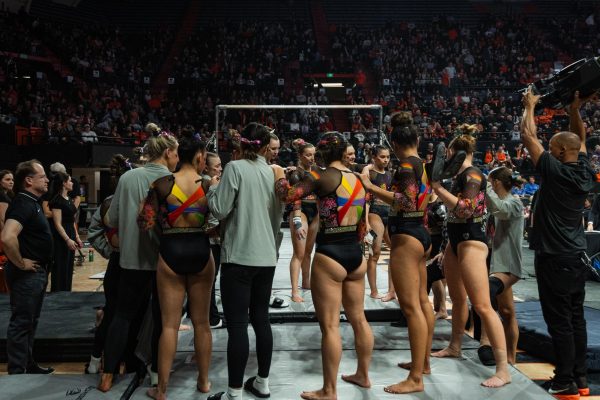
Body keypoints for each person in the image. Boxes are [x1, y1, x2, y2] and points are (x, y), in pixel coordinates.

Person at [275, 132, 373, 400]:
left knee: (330, 326)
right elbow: (362, 222)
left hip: (331, 253)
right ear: (343, 152)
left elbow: (287, 195)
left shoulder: (320, 177)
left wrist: (278, 173)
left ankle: (329, 390)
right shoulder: (358, 179)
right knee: (359, 319)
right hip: (355, 253)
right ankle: (363, 375)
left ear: (321, 154)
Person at [522, 88, 594, 399]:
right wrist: (574, 110)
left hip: (554, 257)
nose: (547, 151)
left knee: (560, 322)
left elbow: (527, 135)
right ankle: (580, 378)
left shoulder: (554, 170)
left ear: (561, 152)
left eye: (552, 147)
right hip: (576, 256)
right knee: (575, 318)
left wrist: (529, 106)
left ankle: (564, 381)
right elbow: (579, 139)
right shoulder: (583, 169)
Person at [206, 123, 283, 400]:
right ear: (264, 146)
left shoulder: (235, 169)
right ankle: (262, 382)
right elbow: (277, 218)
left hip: (238, 255)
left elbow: (219, 208)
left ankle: (234, 393)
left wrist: (212, 188)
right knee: (261, 319)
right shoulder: (275, 173)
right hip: (266, 256)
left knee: (238, 324)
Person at [430, 124, 511, 388]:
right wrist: (444, 247)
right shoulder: (460, 176)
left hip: (472, 241)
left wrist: (437, 188)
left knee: (483, 305)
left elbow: (465, 210)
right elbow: (452, 217)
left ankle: (503, 370)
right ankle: (455, 346)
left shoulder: (473, 175)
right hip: (455, 240)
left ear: (453, 153)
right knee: (457, 298)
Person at [99, 131, 179, 392]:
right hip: (163, 262)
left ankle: (107, 374)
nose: (178, 159)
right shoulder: (170, 179)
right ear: (167, 153)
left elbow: (111, 219)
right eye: (176, 153)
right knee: (161, 320)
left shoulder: (128, 177)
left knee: (121, 316)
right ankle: (157, 375)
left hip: (130, 259)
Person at [360, 123, 434, 394]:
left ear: (394, 145)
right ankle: (423, 364)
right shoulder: (423, 165)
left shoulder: (405, 167)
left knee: (411, 307)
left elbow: (404, 201)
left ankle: (416, 378)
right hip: (421, 233)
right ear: (416, 138)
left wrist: (369, 186)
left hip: (408, 235)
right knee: (423, 302)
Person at [140, 134, 215, 399]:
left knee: (169, 326)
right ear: (198, 157)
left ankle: (161, 389)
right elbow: (219, 220)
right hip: (200, 250)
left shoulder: (160, 184)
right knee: (202, 324)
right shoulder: (208, 184)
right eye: (204, 156)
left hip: (170, 250)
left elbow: (144, 223)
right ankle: (204, 382)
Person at [1, 160, 54, 374]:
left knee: (30, 320)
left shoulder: (31, 202)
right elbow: (7, 237)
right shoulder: (23, 203)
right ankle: (17, 372)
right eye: (42, 176)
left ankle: (28, 365)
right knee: (22, 322)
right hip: (27, 274)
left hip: (37, 272)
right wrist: (21, 263)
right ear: (29, 180)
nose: (47, 179)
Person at [85, 155, 133, 374]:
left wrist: (110, 252)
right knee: (127, 316)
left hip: (116, 262)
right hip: (131, 264)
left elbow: (94, 233)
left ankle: (96, 361)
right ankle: (126, 364)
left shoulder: (107, 202)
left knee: (112, 313)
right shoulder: (136, 201)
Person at [477, 167, 525, 366]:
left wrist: (485, 187)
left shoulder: (514, 203)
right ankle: (491, 347)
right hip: (492, 261)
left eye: (490, 182)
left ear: (495, 182)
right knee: (505, 310)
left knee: (499, 305)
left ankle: (507, 356)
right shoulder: (493, 204)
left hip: (507, 263)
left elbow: (501, 210)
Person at [287, 138, 317, 302]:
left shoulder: (317, 171)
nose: (311, 158)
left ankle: (306, 282)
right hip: (301, 211)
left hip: (316, 212)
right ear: (300, 155)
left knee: (308, 252)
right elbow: (295, 198)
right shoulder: (296, 173)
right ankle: (294, 291)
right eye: (308, 155)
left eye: (313, 155)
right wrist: (297, 219)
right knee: (298, 253)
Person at [361, 145, 392, 299]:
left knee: (395, 252)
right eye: (382, 157)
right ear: (374, 157)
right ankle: (374, 291)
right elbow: (365, 199)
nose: (386, 159)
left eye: (387, 157)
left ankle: (392, 291)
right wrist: (366, 221)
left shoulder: (390, 174)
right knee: (375, 252)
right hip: (375, 212)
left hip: (389, 213)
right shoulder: (369, 173)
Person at [48, 172, 83, 292]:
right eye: (70, 181)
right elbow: (57, 224)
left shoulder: (68, 199)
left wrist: (77, 236)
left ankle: (67, 292)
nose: (72, 183)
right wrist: (67, 239)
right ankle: (58, 294)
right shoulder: (57, 200)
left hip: (71, 233)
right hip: (61, 237)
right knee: (60, 266)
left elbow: (72, 220)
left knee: (68, 266)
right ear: (64, 183)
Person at [204, 152, 224, 328]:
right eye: (216, 166)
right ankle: (211, 317)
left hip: (214, 239)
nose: (220, 168)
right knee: (209, 280)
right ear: (206, 167)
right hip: (210, 240)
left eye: (220, 165)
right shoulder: (207, 183)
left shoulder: (214, 182)